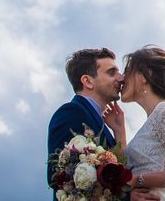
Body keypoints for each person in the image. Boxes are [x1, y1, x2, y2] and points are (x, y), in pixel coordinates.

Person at [103, 46, 165, 200]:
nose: (122, 78)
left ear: (145, 75)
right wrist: (119, 130)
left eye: (128, 71)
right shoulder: (155, 118)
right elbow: (128, 173)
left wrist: (139, 179)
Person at [46, 48, 124, 194]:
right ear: (87, 81)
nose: (121, 78)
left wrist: (119, 130)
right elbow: (57, 176)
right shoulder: (71, 112)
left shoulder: (103, 124)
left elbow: (118, 174)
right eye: (112, 73)